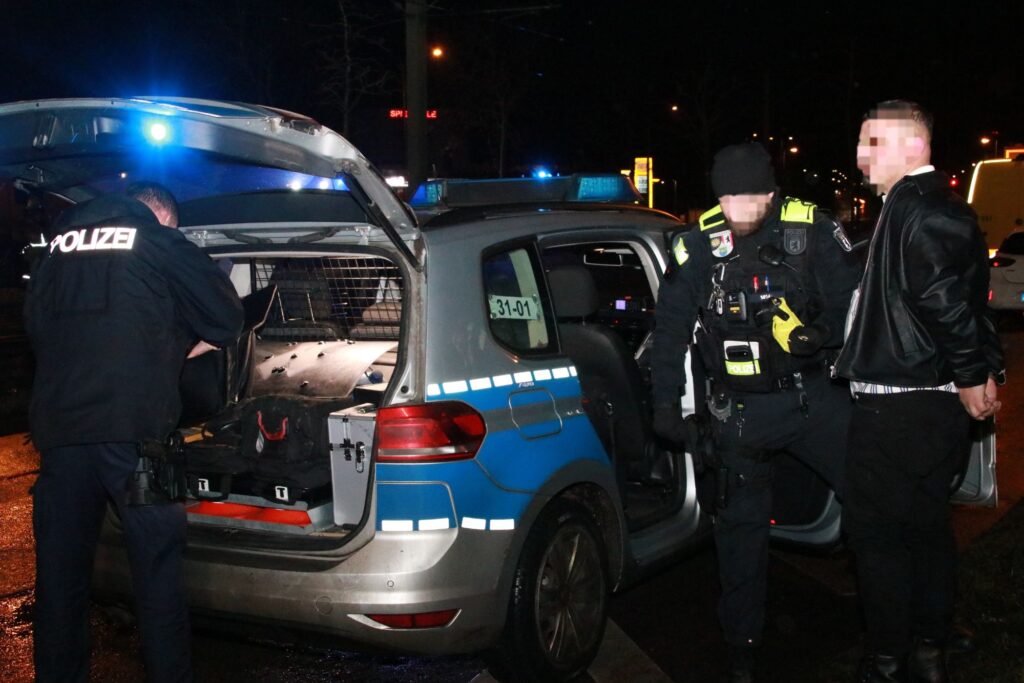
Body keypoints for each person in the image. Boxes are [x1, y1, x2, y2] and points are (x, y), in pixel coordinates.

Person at [651, 143, 862, 682]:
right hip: (740, 413)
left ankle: (892, 626)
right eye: (725, 199)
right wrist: (665, 406)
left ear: (771, 193)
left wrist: (820, 334)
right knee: (739, 537)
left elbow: (854, 305)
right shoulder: (699, 244)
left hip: (812, 399)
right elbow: (670, 330)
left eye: (747, 198)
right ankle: (741, 648)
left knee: (873, 502)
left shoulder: (810, 230)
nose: (736, 210)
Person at [25, 185, 244, 682]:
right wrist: (167, 351)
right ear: (162, 216)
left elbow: (38, 330)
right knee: (157, 575)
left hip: (60, 435)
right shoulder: (157, 240)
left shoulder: (55, 250)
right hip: (135, 439)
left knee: (59, 581)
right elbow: (225, 321)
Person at [836, 100, 1004, 683]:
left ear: (915, 145)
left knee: (877, 537)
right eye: (861, 141)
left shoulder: (923, 207)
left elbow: (947, 303)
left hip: (900, 405)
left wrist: (972, 374)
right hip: (921, 403)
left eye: (874, 142)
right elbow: (961, 300)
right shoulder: (913, 206)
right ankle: (930, 645)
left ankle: (889, 658)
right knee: (926, 527)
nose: (861, 155)